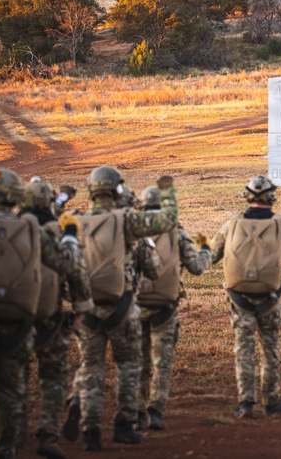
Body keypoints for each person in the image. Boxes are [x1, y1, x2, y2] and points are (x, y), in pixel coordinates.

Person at [0, 168, 86, 459]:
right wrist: (71, 237)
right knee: (9, 398)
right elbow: (66, 264)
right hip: (18, 327)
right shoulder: (31, 228)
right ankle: (5, 452)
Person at [64, 166, 178, 451]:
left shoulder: (75, 222)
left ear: (91, 190)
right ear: (117, 190)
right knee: (129, 366)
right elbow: (166, 221)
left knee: (91, 369)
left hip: (87, 309)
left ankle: (89, 431)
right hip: (122, 308)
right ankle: (125, 425)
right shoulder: (125, 220)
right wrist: (168, 193)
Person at [208, 175, 281, 419]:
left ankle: (245, 403)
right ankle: (271, 400)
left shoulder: (232, 224)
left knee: (244, 349)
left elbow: (212, 255)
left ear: (247, 195)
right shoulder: (280, 224)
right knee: (270, 349)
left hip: (239, 298)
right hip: (270, 298)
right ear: (271, 196)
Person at [19, 178, 93, 459]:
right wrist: (81, 309)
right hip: (49, 316)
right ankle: (48, 434)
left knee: (15, 380)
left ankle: (13, 433)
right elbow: (75, 271)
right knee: (53, 378)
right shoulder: (57, 230)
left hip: (15, 320)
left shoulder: (14, 228)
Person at [134, 185, 213, 432]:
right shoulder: (176, 231)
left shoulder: (131, 230)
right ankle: (155, 411)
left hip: (134, 306)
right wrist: (206, 248)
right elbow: (198, 268)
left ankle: (135, 412)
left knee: (137, 361)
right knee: (162, 361)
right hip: (165, 307)